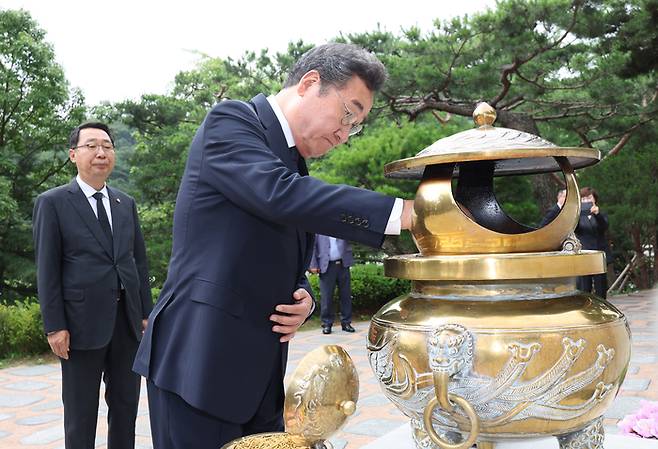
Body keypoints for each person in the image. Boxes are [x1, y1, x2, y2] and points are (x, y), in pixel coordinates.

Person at [132, 43, 414, 449]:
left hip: (259, 377)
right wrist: (402, 213)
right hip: (200, 365)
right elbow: (279, 195)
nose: (345, 133)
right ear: (310, 83)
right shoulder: (230, 122)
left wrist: (303, 297)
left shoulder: (292, 163)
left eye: (356, 126)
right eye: (348, 113)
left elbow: (278, 250)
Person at [32, 122, 153, 449]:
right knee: (81, 413)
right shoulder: (53, 202)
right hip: (79, 326)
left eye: (107, 146)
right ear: (74, 154)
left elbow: (137, 262)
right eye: (91, 146)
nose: (101, 153)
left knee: (126, 407)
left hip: (127, 325)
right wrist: (55, 325)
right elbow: (47, 268)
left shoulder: (124, 203)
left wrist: (146, 313)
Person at [309, 235, 355, 334]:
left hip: (343, 264)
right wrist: (313, 265)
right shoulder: (318, 230)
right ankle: (327, 324)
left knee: (346, 295)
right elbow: (313, 247)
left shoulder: (340, 226)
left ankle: (346, 322)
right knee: (327, 297)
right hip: (326, 267)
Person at [575, 186, 610, 298]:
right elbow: (575, 229)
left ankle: (602, 309)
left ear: (594, 199)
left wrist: (597, 214)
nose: (586, 201)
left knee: (601, 286)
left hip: (599, 254)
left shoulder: (601, 214)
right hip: (584, 254)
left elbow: (604, 227)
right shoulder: (577, 216)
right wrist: (575, 214)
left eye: (589, 198)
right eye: (583, 199)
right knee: (585, 287)